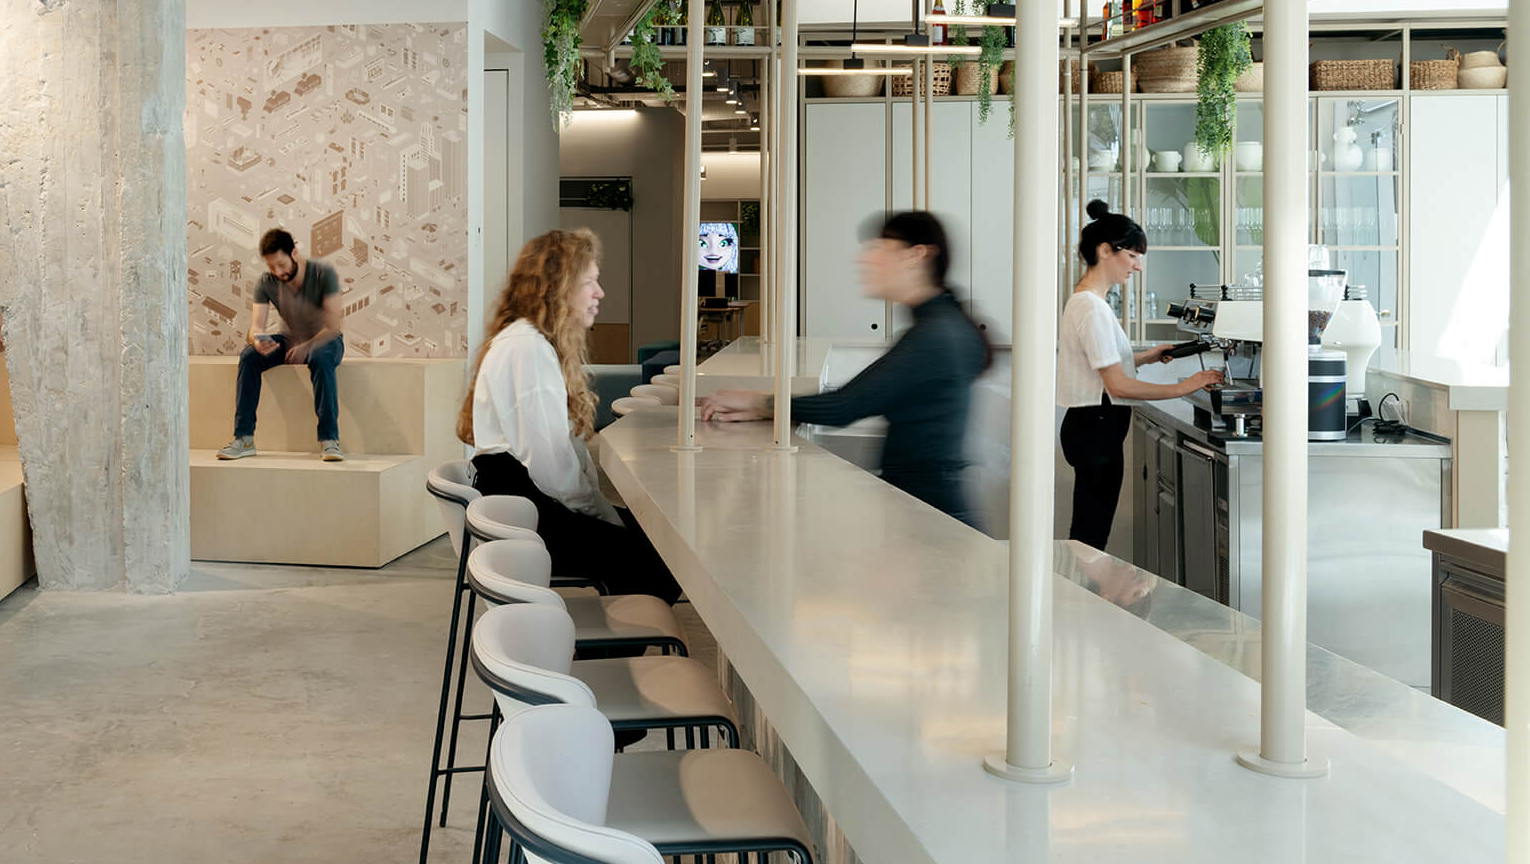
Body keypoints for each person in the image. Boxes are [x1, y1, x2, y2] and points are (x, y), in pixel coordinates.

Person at [699, 211, 993, 528]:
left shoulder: (936, 335)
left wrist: (759, 402)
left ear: (916, 255)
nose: (865, 259)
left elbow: (843, 406)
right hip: (926, 513)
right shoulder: (942, 324)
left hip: (933, 520)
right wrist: (765, 405)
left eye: (879, 247)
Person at [459, 229, 682, 603]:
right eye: (590, 282)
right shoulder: (529, 348)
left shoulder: (526, 340)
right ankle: (615, 637)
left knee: (656, 545)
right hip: (528, 516)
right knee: (662, 561)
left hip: (521, 504)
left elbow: (559, 461)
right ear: (558, 289)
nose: (600, 293)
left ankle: (616, 631)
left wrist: (599, 509)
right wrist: (600, 514)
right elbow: (551, 467)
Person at [1058, 200, 1224, 549]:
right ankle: (1080, 584)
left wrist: (1146, 357)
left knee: (1088, 530)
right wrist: (1185, 386)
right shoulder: (1091, 308)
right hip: (1096, 430)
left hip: (1090, 427)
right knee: (1090, 536)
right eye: (1133, 255)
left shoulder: (1087, 301)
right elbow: (1118, 385)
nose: (1138, 266)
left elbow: (1101, 364)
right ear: (1105, 250)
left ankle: (1081, 582)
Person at [218, 228, 348, 462]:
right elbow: (255, 327)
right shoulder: (266, 281)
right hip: (289, 340)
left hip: (326, 340)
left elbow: (333, 326)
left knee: (320, 358)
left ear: (294, 253)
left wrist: (307, 347)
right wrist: (257, 339)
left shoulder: (323, 273)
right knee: (249, 356)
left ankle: (330, 440)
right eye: (271, 267)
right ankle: (244, 439)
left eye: (281, 264)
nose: (278, 272)